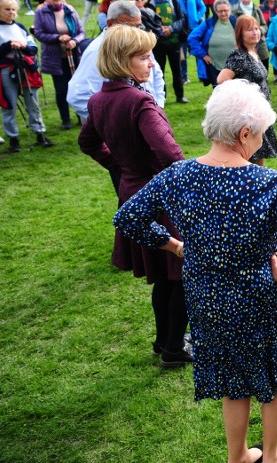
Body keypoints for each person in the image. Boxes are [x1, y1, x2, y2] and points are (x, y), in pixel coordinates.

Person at [112, 80, 277, 463]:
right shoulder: (270, 183)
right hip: (260, 300)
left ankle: (238, 456)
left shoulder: (176, 176)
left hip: (206, 299)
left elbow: (128, 217)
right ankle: (273, 454)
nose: (263, 141)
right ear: (245, 133)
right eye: (262, 133)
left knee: (231, 379)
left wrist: (175, 245)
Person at [77, 25, 190, 369]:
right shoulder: (140, 101)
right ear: (122, 61)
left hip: (132, 193)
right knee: (182, 271)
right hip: (158, 197)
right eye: (144, 57)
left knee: (165, 271)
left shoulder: (99, 99)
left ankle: (163, 341)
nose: (153, 63)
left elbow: (88, 142)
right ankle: (173, 348)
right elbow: (170, 155)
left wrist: (123, 169)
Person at [68, 1, 166, 122]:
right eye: (128, 26)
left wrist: (158, 106)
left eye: (138, 26)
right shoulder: (98, 51)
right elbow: (77, 96)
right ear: (110, 23)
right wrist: (114, 123)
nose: (134, 31)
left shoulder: (139, 41)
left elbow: (156, 73)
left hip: (147, 118)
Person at [0, 0, 52, 152]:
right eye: (7, 10)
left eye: (13, 9)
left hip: (25, 68)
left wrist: (22, 47)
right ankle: (13, 138)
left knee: (33, 103)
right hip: (5, 70)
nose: (11, 13)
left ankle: (40, 133)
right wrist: (9, 45)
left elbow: (33, 48)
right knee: (9, 105)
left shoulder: (20, 27)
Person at [217, 15, 277, 164]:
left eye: (257, 29)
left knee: (258, 159)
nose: (255, 32)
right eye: (249, 30)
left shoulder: (253, 53)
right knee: (250, 161)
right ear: (240, 33)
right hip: (248, 118)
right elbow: (221, 80)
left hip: (259, 114)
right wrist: (242, 100)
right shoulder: (239, 56)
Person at [35, 0, 85, 130]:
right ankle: (65, 119)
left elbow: (82, 32)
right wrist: (57, 37)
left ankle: (80, 116)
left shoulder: (70, 9)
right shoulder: (41, 12)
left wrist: (75, 41)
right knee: (61, 89)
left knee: (77, 87)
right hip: (55, 58)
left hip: (74, 55)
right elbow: (39, 33)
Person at [146, 0, 188, 103]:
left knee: (177, 70)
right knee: (159, 72)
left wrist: (170, 29)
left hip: (174, 42)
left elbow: (181, 19)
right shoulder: (149, 3)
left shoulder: (174, 1)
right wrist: (160, 30)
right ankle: (161, 98)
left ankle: (180, 96)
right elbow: (149, 21)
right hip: (158, 43)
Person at [168, 0, 206, 84]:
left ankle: (202, 76)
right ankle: (184, 76)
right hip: (180, 30)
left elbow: (202, 7)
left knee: (198, 52)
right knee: (182, 54)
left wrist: (197, 18)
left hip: (194, 28)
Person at [188, 0, 237, 88]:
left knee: (235, 93)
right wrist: (203, 54)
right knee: (219, 94)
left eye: (226, 10)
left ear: (230, 10)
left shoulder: (236, 22)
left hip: (235, 65)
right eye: (220, 11)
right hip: (215, 66)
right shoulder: (208, 23)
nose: (223, 13)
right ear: (215, 11)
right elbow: (192, 38)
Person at [231, 0, 270, 65]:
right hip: (244, 44)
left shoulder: (257, 9)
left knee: (263, 66)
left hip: (260, 43)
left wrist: (259, 31)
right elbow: (234, 28)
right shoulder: (235, 12)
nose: (246, 0)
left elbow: (264, 25)